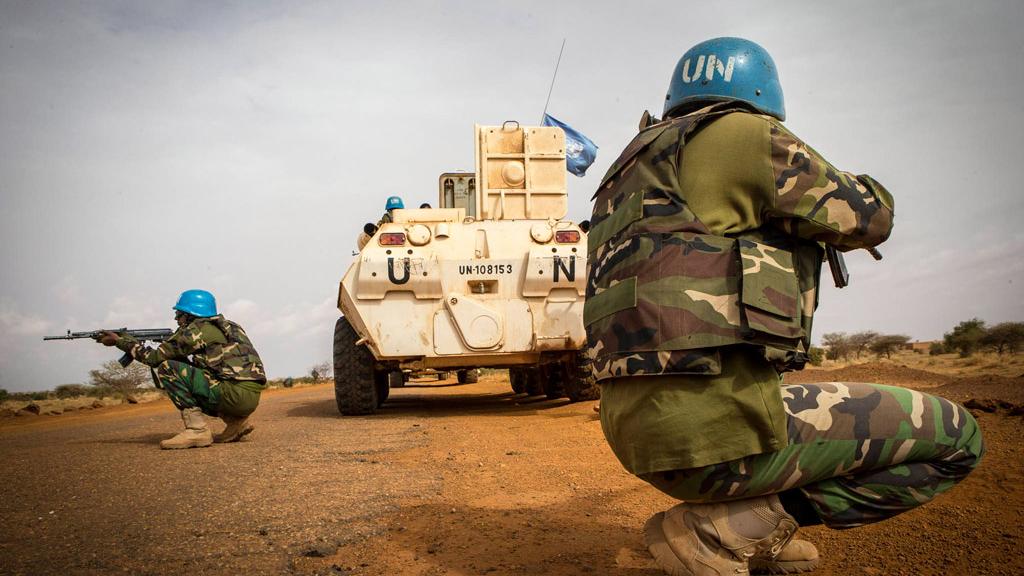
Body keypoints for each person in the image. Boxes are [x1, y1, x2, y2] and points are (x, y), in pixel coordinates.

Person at [584, 37, 983, 576]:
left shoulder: (626, 170)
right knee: (958, 438)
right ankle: (738, 525)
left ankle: (739, 521)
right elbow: (870, 217)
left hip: (636, 435)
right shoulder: (745, 134)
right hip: (713, 436)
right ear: (762, 94)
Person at [95, 289, 267, 450]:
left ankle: (197, 430)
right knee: (186, 369)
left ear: (190, 314)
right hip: (249, 396)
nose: (176, 319)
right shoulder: (230, 327)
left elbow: (153, 358)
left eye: (179, 314)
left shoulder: (195, 331)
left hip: (232, 395)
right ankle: (236, 422)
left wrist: (120, 341)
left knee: (167, 368)